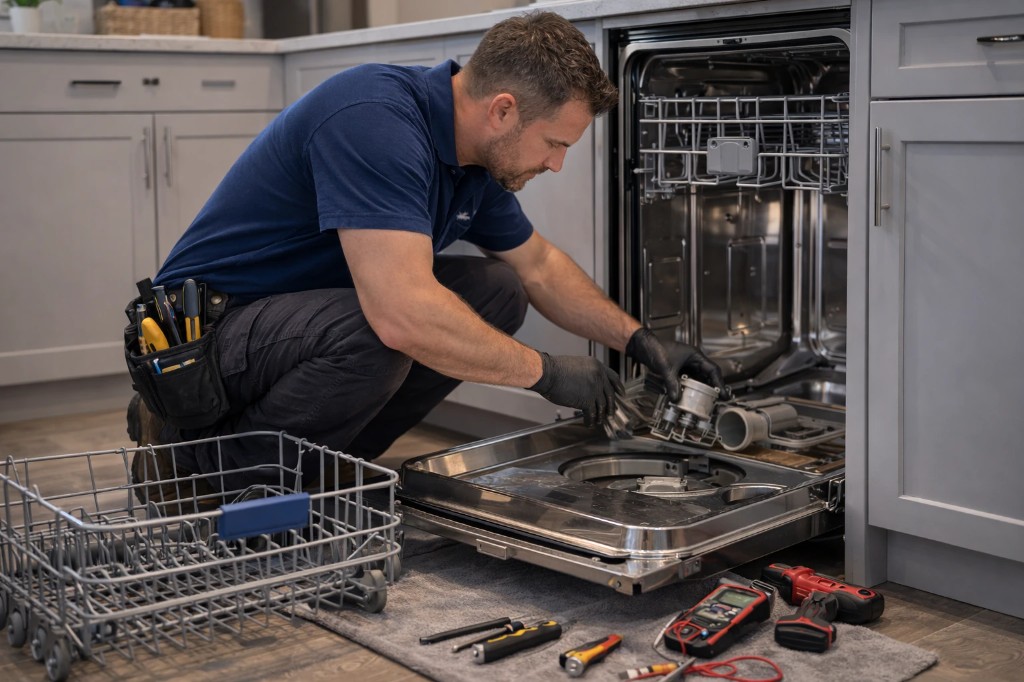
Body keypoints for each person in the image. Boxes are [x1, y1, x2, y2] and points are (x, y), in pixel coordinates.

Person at [128, 11, 725, 495]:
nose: (555, 163)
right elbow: (401, 315)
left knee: (496, 291)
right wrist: (545, 374)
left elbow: (538, 267)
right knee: (383, 331)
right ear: (503, 110)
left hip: (289, 326)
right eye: (553, 143)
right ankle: (199, 476)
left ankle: (319, 471)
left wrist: (640, 340)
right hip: (203, 341)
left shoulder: (474, 162)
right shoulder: (376, 119)